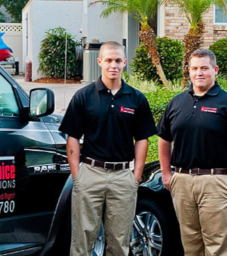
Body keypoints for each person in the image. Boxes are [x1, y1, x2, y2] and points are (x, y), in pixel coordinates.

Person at [59, 41, 157, 256]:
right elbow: (72, 136)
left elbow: (142, 139)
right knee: (82, 240)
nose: (113, 65)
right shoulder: (84, 96)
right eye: (109, 60)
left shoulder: (137, 99)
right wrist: (77, 175)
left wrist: (136, 176)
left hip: (123, 176)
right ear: (100, 62)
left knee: (119, 242)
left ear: (125, 63)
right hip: (90, 174)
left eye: (118, 60)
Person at [158, 49, 227, 256]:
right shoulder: (176, 102)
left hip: (215, 182)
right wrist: (166, 174)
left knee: (217, 246)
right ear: (189, 71)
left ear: (215, 70)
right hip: (182, 181)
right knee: (190, 243)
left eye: (204, 68)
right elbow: (164, 138)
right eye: (194, 68)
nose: (199, 73)